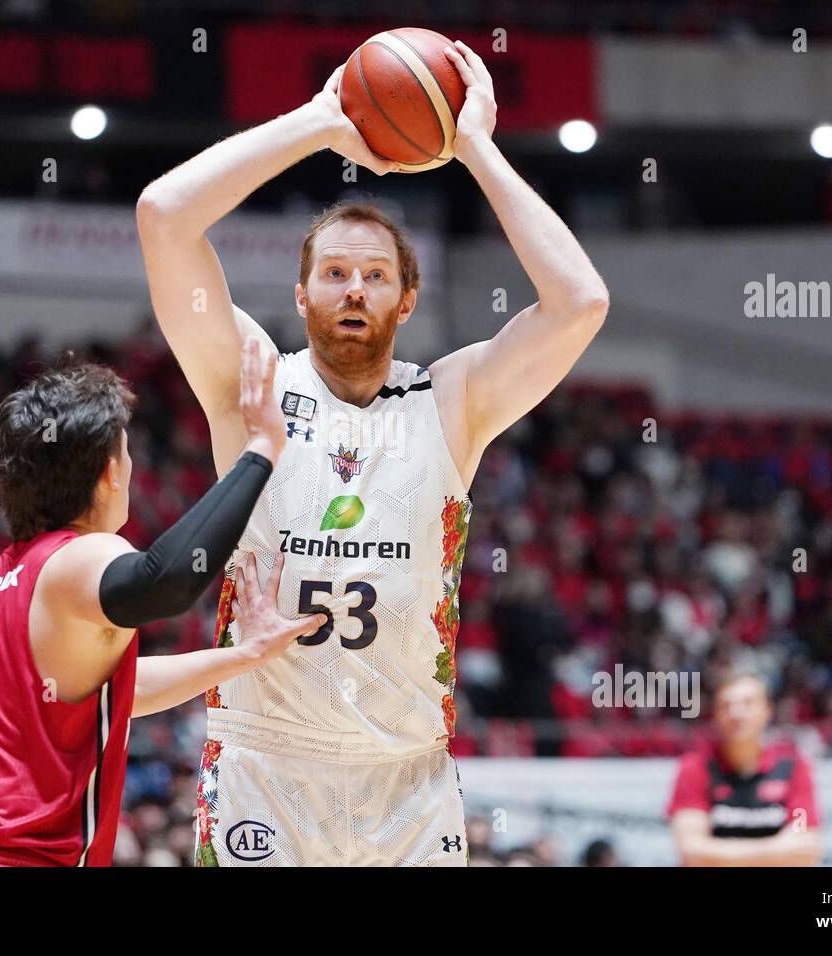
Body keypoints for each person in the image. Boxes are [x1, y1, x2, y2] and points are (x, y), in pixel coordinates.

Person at [138, 41, 609, 866]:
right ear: (300, 292)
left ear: (407, 297)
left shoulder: (454, 403)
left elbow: (580, 302)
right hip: (265, 766)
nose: (354, 289)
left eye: (376, 275)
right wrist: (320, 123)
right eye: (334, 272)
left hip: (408, 778)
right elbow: (163, 213)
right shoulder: (246, 379)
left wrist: (476, 148)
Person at [0, 342, 325, 866]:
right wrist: (260, 451)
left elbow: (116, 691)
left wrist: (243, 655)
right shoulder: (77, 558)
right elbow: (166, 581)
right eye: (126, 453)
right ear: (108, 473)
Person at [667, 672, 823, 866]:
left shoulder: (793, 768)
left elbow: (804, 844)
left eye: (747, 703)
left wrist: (717, 854)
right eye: (726, 706)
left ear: (767, 711)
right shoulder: (695, 768)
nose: (736, 713)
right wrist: (777, 850)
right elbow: (693, 852)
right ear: (715, 714)